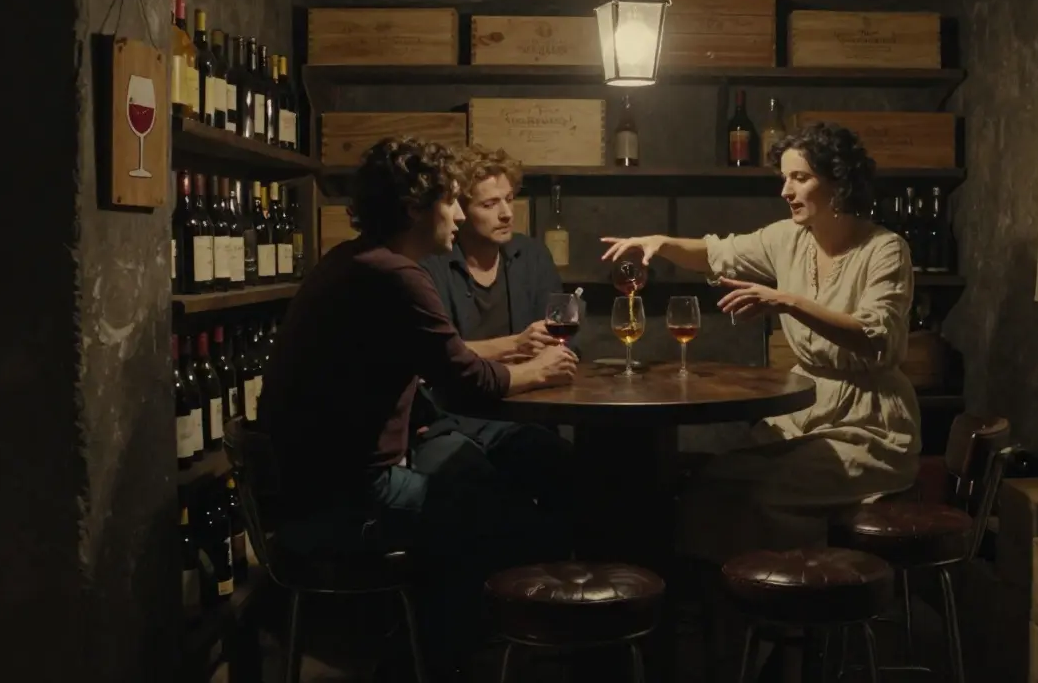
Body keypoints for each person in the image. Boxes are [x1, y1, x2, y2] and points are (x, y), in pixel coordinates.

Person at [258, 137, 578, 679]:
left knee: (483, 496)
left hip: (308, 486)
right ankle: (459, 659)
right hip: (350, 497)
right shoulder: (396, 277)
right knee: (522, 524)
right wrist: (536, 372)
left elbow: (446, 363)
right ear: (413, 208)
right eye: (450, 201)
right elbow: (465, 379)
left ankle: (433, 647)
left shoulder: (352, 260)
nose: (457, 216)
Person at [600, 122, 922, 564]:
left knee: (763, 494)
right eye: (784, 179)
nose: (786, 191)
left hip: (868, 424)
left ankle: (800, 605)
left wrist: (787, 301)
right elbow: (716, 253)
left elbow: (875, 340)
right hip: (802, 413)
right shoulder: (787, 238)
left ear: (838, 180)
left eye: (800, 178)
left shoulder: (885, 249)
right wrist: (661, 242)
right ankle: (720, 612)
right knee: (712, 480)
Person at [414, 144, 574, 523]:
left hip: (522, 417)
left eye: (509, 199)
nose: (506, 213)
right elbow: (434, 359)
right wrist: (516, 348)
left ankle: (556, 577)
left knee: (569, 470)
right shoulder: (431, 264)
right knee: (475, 489)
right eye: (489, 205)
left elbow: (566, 340)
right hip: (449, 420)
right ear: (461, 212)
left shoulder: (532, 255)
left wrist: (549, 350)